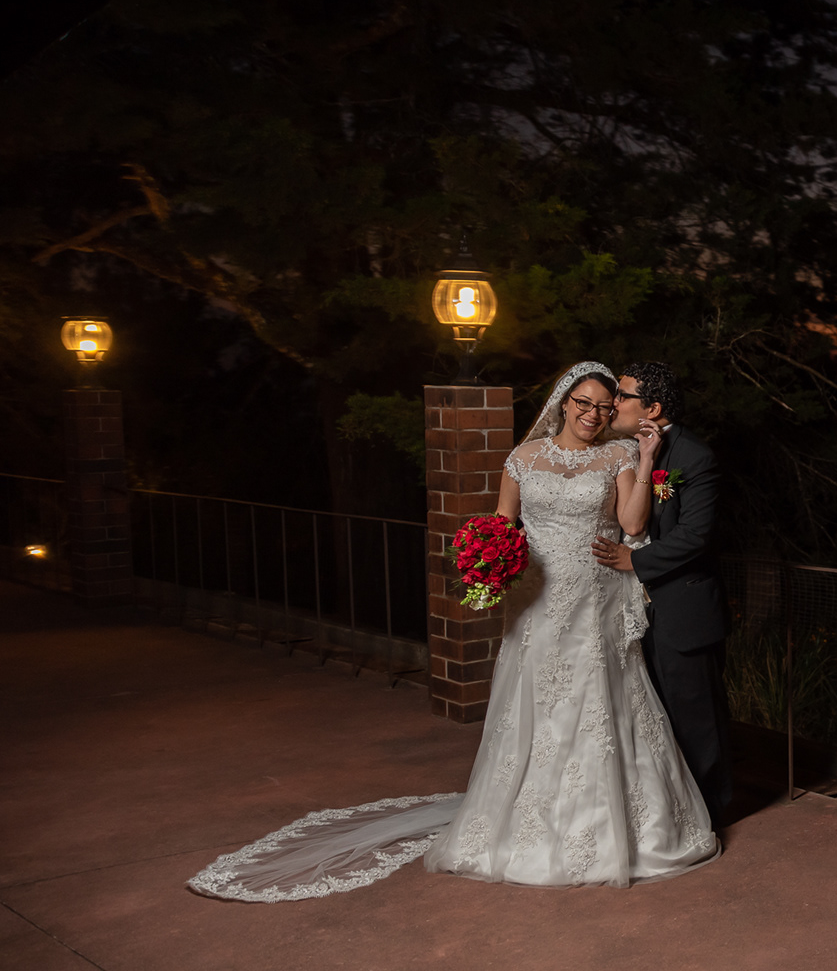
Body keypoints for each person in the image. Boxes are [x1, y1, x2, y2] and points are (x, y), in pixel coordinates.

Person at [185, 362, 717, 902]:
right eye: (584, 402)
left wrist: (645, 458)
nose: (594, 414)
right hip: (537, 598)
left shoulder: (619, 455)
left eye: (604, 406)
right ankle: (527, 820)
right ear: (563, 402)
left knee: (601, 699)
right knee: (537, 702)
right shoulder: (523, 458)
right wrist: (489, 560)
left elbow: (632, 526)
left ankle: (610, 826)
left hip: (596, 595)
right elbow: (503, 523)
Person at [592, 361, 732, 822]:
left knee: (695, 718)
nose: (613, 403)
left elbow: (695, 535)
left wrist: (635, 561)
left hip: (681, 609)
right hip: (633, 610)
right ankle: (668, 813)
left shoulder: (694, 456)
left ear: (651, 408)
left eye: (623, 396)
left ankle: (711, 817)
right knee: (653, 717)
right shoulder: (627, 450)